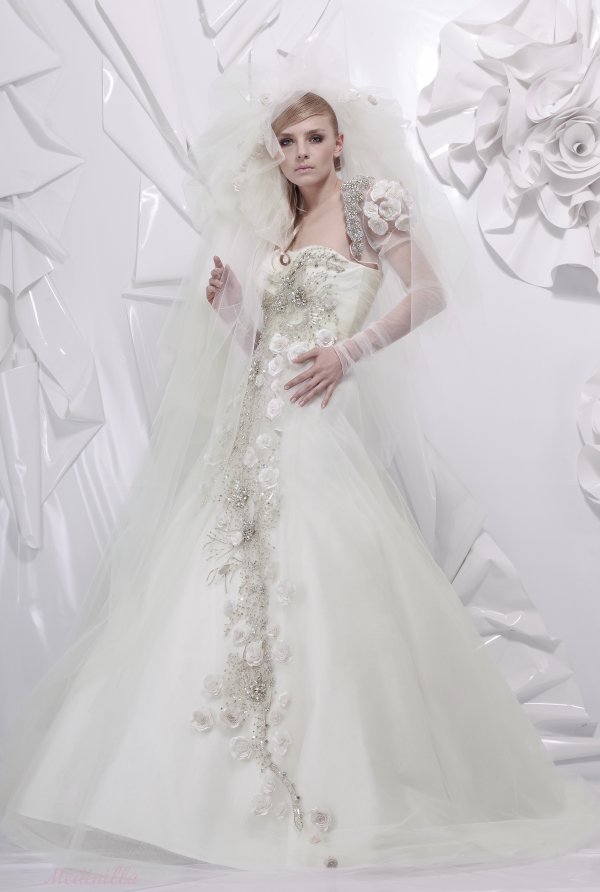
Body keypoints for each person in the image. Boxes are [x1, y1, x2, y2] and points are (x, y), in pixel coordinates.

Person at [1, 77, 600, 881]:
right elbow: (271, 351)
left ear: (340, 142)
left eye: (315, 137)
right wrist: (234, 312)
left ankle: (332, 784)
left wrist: (350, 352)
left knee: (319, 576)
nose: (300, 152)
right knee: (215, 579)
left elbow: (429, 293)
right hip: (252, 426)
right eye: (287, 142)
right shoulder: (282, 225)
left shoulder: (368, 206)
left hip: (314, 429)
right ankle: (187, 797)